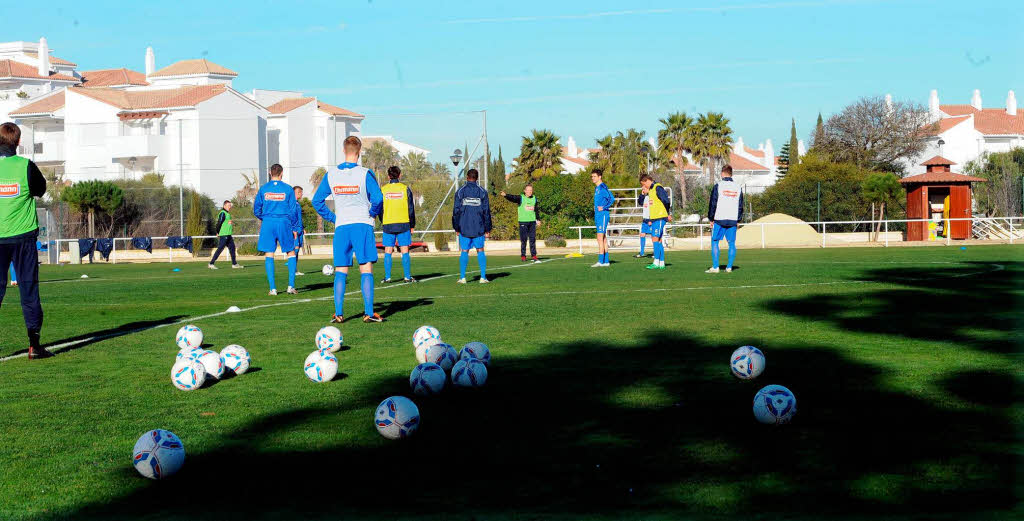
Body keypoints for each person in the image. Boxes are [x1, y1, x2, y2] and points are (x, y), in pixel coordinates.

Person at [312, 136, 384, 323]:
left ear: (344, 151)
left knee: (341, 270)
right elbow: (378, 199)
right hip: (362, 224)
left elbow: (317, 201)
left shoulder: (332, 174)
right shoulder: (365, 173)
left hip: (342, 227)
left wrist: (334, 218)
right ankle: (368, 313)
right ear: (359, 152)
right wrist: (372, 213)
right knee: (365, 267)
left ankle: (339, 314)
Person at [0, 122, 50, 358]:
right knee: (29, 291)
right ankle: (34, 345)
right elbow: (41, 190)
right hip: (23, 239)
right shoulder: (26, 166)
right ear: (18, 142)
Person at [253, 164, 301, 295]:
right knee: (291, 252)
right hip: (284, 222)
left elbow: (256, 209)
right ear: (282, 173)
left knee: (269, 253)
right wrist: (295, 227)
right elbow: (293, 210)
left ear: (270, 173)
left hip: (268, 222)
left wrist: (265, 217)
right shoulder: (288, 189)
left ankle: (273, 289)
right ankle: (290, 286)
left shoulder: (264, 189)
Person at [452, 168, 492, 283]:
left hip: (464, 227)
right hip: (479, 227)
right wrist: (488, 228)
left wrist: (456, 227)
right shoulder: (483, 192)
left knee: (464, 250)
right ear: (477, 178)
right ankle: (483, 277)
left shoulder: (460, 191)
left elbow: (456, 211)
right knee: (480, 250)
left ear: (467, 177)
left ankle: (462, 277)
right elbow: (486, 211)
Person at [380, 166, 416, 283]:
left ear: (388, 176)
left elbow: (380, 208)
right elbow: (411, 208)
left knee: (388, 251)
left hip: (388, 224)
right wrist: (412, 225)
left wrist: (383, 220)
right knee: (405, 250)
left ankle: (388, 277)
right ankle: (407, 277)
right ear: (400, 175)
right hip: (403, 224)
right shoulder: (405, 189)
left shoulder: (383, 189)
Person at [706, 164, 744, 273]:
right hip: (732, 219)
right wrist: (738, 220)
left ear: (722, 173)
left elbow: (713, 203)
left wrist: (711, 218)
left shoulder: (718, 185)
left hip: (719, 218)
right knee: (731, 243)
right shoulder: (738, 187)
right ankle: (729, 267)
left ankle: (715, 267)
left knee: (715, 241)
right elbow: (740, 205)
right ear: (731, 174)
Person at [500, 184, 542, 263]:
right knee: (524, 240)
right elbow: (513, 198)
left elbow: (536, 209)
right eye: (528, 190)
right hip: (523, 222)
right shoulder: (521, 198)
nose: (529, 192)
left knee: (532, 239)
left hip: (532, 222)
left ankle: (534, 256)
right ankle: (523, 256)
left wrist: (538, 219)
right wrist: (506, 195)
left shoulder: (534, 198)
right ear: (525, 191)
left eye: (531, 190)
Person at [638, 174, 672, 269]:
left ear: (647, 181)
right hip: (655, 218)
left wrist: (668, 213)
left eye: (644, 184)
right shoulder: (651, 190)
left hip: (660, 217)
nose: (644, 186)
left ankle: (656, 262)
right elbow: (641, 201)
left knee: (655, 238)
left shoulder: (658, 188)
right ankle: (661, 262)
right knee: (659, 240)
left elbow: (666, 201)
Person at [208, 200, 243, 269]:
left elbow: (225, 223)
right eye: (228, 205)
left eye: (230, 206)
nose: (229, 207)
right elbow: (219, 223)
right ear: (224, 206)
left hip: (228, 235)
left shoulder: (227, 214)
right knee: (220, 248)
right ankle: (211, 263)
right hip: (224, 235)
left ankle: (234, 264)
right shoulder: (223, 213)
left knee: (232, 248)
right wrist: (217, 232)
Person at [591, 169, 614, 267]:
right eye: (592, 176)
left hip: (603, 215)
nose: (592, 178)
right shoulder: (597, 188)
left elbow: (612, 199)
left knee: (600, 237)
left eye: (594, 176)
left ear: (599, 177)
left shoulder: (603, 187)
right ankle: (606, 261)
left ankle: (601, 261)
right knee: (603, 238)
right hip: (598, 215)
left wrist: (604, 207)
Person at [292, 185, 306, 276]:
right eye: (299, 192)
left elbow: (299, 217)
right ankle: (292, 268)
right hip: (295, 230)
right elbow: (292, 217)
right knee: (295, 250)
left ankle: (295, 269)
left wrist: (303, 227)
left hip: (300, 229)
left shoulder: (297, 203)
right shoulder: (292, 204)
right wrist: (294, 229)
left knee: (298, 250)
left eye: (301, 192)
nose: (301, 194)